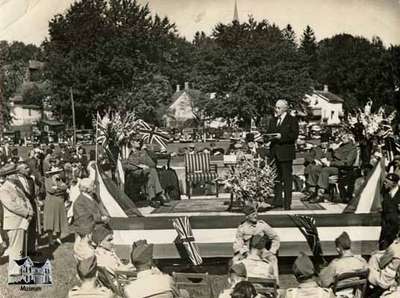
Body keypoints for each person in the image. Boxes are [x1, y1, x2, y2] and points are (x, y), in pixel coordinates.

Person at [266, 99, 299, 210]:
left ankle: (287, 203)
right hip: (274, 153)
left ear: (285, 108)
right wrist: (268, 137)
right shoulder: (273, 120)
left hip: (286, 153)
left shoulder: (292, 120)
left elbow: (294, 135)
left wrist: (281, 137)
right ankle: (278, 200)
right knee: (276, 179)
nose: (276, 109)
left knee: (287, 179)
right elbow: (269, 132)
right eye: (276, 107)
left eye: (279, 107)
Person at [309, 133, 358, 203]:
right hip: (333, 165)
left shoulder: (352, 149)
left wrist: (331, 162)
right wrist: (326, 160)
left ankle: (320, 194)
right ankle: (313, 191)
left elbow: (347, 162)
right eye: (341, 137)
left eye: (344, 138)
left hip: (342, 168)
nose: (341, 139)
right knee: (315, 168)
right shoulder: (341, 145)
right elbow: (333, 156)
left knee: (325, 171)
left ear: (349, 139)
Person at [0, 163, 33, 261]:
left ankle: (19, 269)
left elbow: (26, 199)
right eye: (14, 173)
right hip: (13, 222)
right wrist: (27, 212)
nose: (16, 175)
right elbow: (11, 205)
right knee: (15, 249)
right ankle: (14, 272)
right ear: (8, 176)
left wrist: (30, 210)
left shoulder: (15, 186)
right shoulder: (3, 189)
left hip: (21, 220)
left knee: (21, 248)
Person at [72, 178, 110, 248]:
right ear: (86, 189)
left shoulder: (93, 196)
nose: (95, 186)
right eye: (93, 185)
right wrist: (101, 218)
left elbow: (102, 208)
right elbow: (85, 221)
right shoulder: (79, 203)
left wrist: (105, 215)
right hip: (89, 233)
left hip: (100, 229)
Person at [15, 163, 39, 255]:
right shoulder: (15, 181)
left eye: (28, 167)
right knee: (22, 230)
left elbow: (32, 194)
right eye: (26, 168)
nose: (28, 169)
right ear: (19, 170)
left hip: (32, 207)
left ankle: (31, 250)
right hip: (21, 208)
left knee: (32, 229)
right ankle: (22, 251)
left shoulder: (30, 180)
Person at [43, 167, 68, 246]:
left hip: (60, 203)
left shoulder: (59, 180)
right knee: (50, 221)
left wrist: (57, 187)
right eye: (56, 173)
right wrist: (59, 189)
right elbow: (51, 190)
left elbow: (65, 187)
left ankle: (58, 238)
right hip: (50, 203)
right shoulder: (47, 181)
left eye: (58, 172)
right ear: (51, 174)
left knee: (59, 220)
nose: (58, 174)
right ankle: (50, 239)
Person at [379, 173, 400, 249]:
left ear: (394, 183)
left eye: (387, 182)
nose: (384, 183)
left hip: (397, 233)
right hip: (386, 232)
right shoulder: (385, 193)